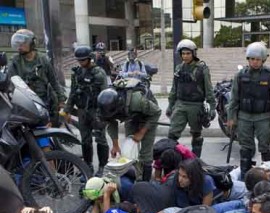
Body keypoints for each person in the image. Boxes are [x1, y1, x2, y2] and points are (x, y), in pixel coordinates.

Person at [228, 42, 270, 178]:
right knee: (245, 148)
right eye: (252, 59)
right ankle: (246, 176)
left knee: (266, 148)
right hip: (244, 117)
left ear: (263, 59)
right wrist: (231, 117)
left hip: (263, 117)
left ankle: (268, 175)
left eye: (258, 59)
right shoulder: (240, 75)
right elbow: (234, 98)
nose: (254, 62)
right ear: (248, 59)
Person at [97, 78, 162, 181]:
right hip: (131, 116)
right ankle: (135, 176)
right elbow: (111, 122)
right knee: (129, 150)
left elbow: (156, 112)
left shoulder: (137, 101)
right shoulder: (105, 105)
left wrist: (142, 132)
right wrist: (115, 145)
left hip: (148, 116)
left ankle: (144, 183)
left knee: (145, 154)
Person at [166, 39, 216, 157]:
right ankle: (173, 160)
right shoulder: (179, 69)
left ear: (193, 53)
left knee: (196, 135)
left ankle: (194, 161)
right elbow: (174, 88)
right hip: (181, 104)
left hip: (196, 106)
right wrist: (170, 105)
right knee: (172, 135)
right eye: (183, 53)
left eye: (188, 53)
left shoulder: (202, 69)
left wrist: (212, 107)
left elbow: (209, 89)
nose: (185, 56)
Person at [64, 45, 109, 176]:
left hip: (96, 111)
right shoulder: (77, 73)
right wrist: (67, 110)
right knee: (85, 140)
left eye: (83, 60)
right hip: (82, 111)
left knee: (100, 139)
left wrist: (103, 115)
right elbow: (73, 93)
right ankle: (87, 165)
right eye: (79, 60)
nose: (80, 62)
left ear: (90, 59)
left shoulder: (99, 73)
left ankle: (102, 167)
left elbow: (105, 95)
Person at [8, 29, 66, 126]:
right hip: (25, 103)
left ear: (32, 43)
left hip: (44, 101)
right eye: (17, 43)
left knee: (47, 130)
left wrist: (61, 100)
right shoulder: (15, 61)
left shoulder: (43, 60)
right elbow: (10, 83)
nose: (19, 47)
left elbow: (54, 81)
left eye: (22, 43)